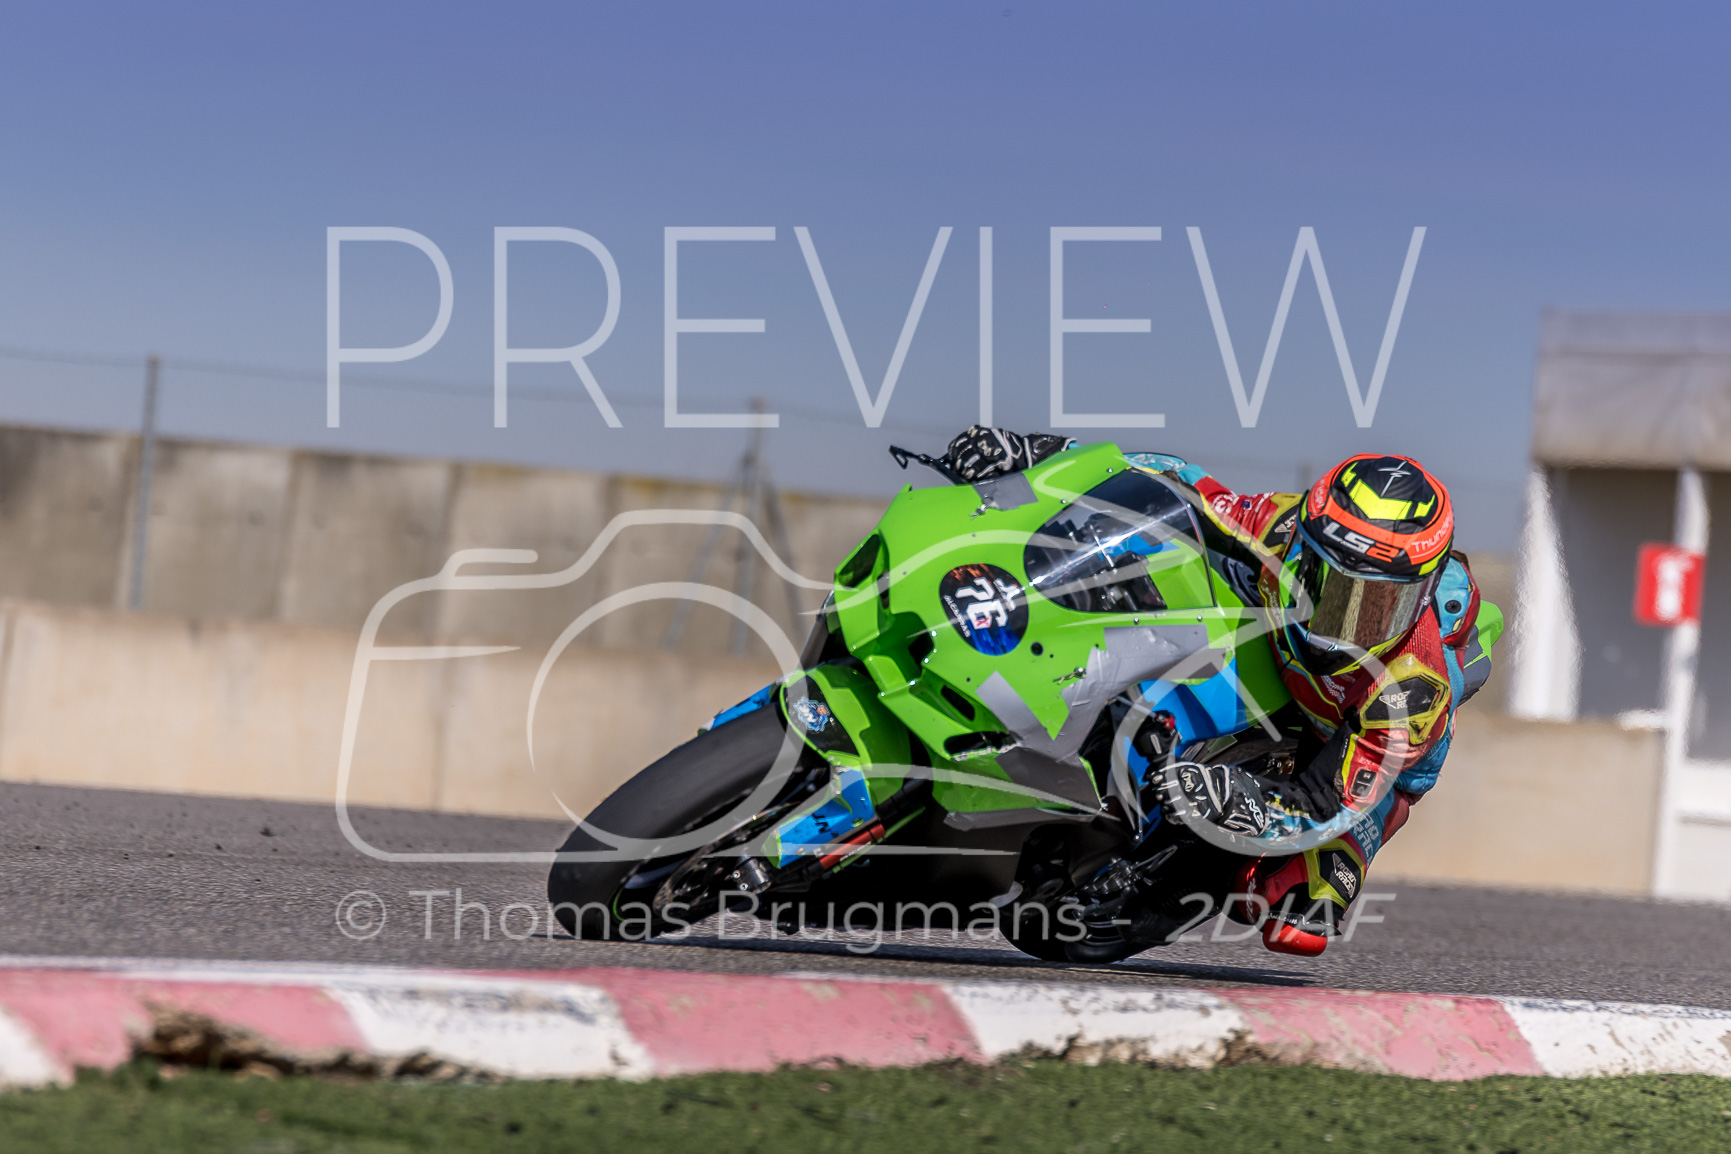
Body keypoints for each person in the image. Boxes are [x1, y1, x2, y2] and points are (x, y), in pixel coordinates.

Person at [941, 426, 1501, 957]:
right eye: (1327, 586)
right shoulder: (1279, 529)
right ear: (1304, 550)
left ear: (1420, 595)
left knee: (1300, 908)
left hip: (1361, 754)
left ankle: (1197, 883)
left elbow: (1325, 804)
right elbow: (1177, 483)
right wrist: (1039, 456)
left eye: (1378, 608)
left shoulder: (1412, 689)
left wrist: (1241, 802)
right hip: (1281, 658)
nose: (1344, 625)